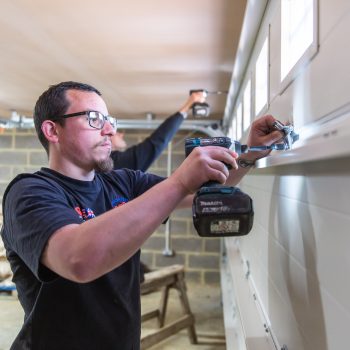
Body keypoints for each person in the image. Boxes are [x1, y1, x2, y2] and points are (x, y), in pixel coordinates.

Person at [0, 81, 283, 350]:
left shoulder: (122, 182)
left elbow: (204, 186)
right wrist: (178, 182)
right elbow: (78, 260)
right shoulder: (28, 193)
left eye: (109, 120)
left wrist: (250, 152)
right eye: (94, 118)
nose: (109, 130)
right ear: (52, 130)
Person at [109, 91, 205, 280]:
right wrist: (189, 104)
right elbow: (156, 142)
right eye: (115, 131)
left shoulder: (118, 167)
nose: (121, 133)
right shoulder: (117, 164)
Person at [110, 91, 205, 171]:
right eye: (117, 132)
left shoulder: (112, 163)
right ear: (105, 136)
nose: (121, 134)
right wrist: (187, 106)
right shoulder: (114, 162)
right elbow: (155, 143)